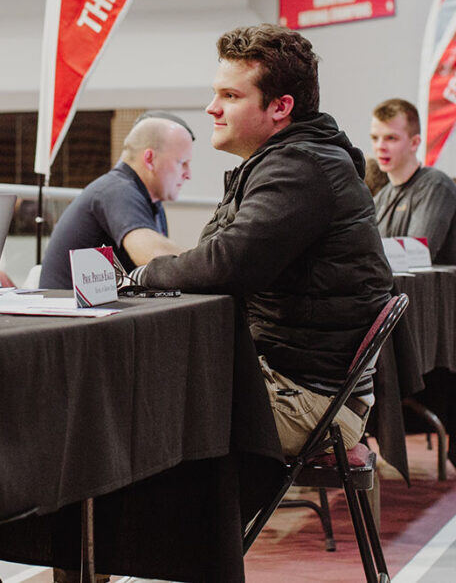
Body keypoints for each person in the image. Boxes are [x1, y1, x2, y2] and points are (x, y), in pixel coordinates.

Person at [130, 24, 393, 456]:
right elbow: (215, 256)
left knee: (134, 412)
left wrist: (140, 276)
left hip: (310, 400)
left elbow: (224, 263)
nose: (212, 108)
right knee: (137, 395)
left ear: (280, 107)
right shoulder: (287, 161)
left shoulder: (300, 167)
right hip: (293, 380)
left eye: (230, 97)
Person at [39, 112, 194, 289]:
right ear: (149, 159)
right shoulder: (116, 190)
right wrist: (211, 262)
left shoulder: (149, 201)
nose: (188, 174)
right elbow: (153, 256)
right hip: (69, 313)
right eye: (182, 162)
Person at [370, 99, 456, 265]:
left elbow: (415, 256)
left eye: (391, 138)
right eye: (375, 138)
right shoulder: (382, 197)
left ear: (414, 142)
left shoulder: (436, 186)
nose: (380, 146)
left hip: (432, 290)